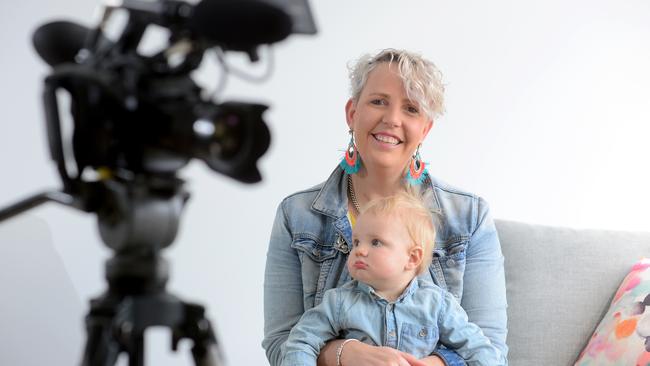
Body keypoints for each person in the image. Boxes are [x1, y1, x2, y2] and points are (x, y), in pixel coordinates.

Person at [263, 48, 508, 366]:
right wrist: (344, 354)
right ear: (352, 113)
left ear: (425, 129)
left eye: (410, 108)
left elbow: (490, 351)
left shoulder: (469, 217)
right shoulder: (296, 216)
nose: (392, 119)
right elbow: (281, 346)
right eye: (378, 101)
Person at [280, 192, 505, 366]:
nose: (359, 250)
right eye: (357, 242)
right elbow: (300, 341)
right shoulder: (339, 302)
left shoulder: (438, 305)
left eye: (375, 242)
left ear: (412, 257)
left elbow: (480, 350)